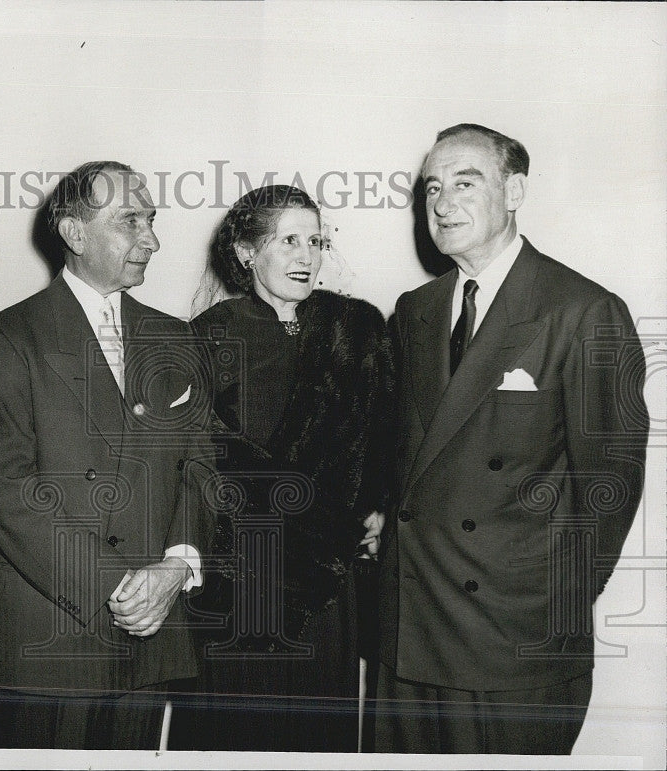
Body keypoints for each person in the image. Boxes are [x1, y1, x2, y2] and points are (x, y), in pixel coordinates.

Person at [375, 123, 649, 754]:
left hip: (510, 645)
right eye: (432, 188)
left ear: (515, 190)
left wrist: (544, 605)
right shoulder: (415, 309)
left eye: (464, 183)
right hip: (410, 631)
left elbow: (608, 486)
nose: (442, 204)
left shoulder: (581, 309)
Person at [0, 161, 215, 749]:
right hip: (52, 637)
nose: (151, 240)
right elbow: (7, 488)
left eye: (152, 221)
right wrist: (116, 585)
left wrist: (176, 567)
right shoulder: (7, 335)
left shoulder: (176, 336)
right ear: (75, 233)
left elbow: (199, 469)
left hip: (151, 635)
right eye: (130, 221)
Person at [171, 185, 394, 752]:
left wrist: (376, 509)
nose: (307, 255)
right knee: (241, 733)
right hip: (247, 577)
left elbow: (385, 438)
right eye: (288, 240)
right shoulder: (209, 334)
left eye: (315, 241)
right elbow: (195, 464)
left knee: (322, 733)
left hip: (327, 580)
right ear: (247, 252)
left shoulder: (357, 329)